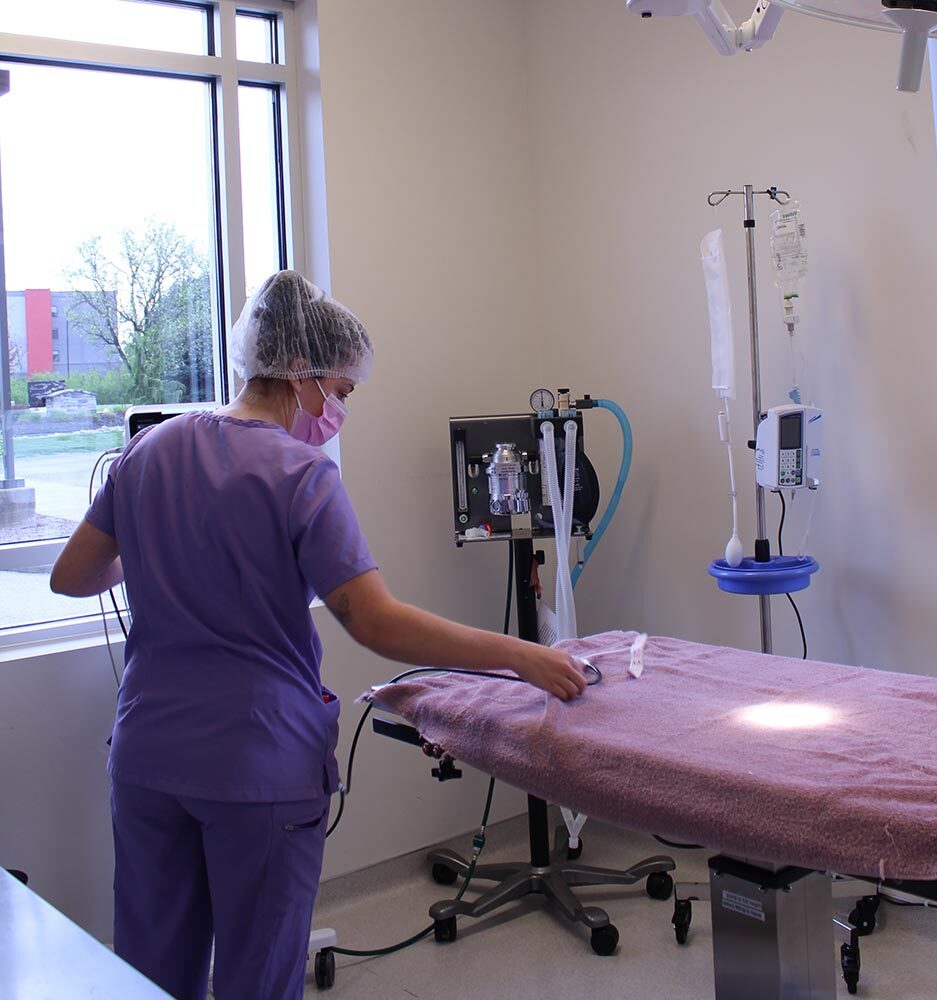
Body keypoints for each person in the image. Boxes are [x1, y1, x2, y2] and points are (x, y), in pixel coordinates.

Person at [50, 270, 587, 1000]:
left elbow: (73, 576)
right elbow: (373, 620)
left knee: (153, 977)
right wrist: (521, 654)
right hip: (254, 765)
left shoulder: (149, 453)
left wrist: (159, 545)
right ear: (300, 372)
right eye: (342, 392)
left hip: (148, 760)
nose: (338, 410)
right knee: (258, 978)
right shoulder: (300, 474)